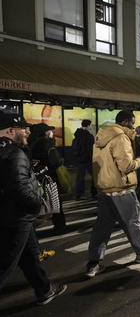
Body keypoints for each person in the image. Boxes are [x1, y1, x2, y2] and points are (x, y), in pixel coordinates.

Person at [0, 112, 67, 305]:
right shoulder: (15, 153)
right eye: (23, 128)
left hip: (12, 214)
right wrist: (37, 204)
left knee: (29, 255)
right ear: (11, 131)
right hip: (16, 216)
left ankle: (44, 290)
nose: (27, 132)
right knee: (5, 264)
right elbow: (20, 188)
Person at [85, 110, 140, 278]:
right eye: (132, 122)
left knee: (102, 227)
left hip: (104, 190)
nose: (134, 125)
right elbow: (126, 166)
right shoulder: (120, 138)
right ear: (125, 122)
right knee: (134, 222)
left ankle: (93, 263)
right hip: (122, 189)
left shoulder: (101, 137)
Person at [29, 122, 66, 234]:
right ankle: (60, 225)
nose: (51, 132)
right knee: (54, 202)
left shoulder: (33, 143)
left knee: (46, 201)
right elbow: (55, 161)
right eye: (49, 130)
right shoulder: (46, 144)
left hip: (40, 177)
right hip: (49, 177)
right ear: (46, 133)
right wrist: (60, 161)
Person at [73, 119, 97, 200]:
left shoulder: (78, 134)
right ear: (88, 125)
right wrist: (93, 158)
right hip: (88, 159)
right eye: (91, 125)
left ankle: (79, 194)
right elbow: (90, 149)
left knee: (80, 177)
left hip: (79, 158)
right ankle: (94, 192)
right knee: (95, 175)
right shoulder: (88, 136)